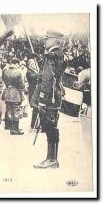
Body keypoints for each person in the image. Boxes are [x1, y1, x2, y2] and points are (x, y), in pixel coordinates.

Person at [31, 30, 67, 169]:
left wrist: (42, 99)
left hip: (49, 97)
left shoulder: (51, 56)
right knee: (53, 126)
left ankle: (51, 159)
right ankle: (53, 159)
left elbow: (48, 79)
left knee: (49, 126)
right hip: (56, 95)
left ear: (53, 40)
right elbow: (55, 74)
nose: (44, 41)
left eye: (46, 39)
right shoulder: (61, 55)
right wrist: (41, 61)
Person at [2, 57, 25, 135]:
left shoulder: (5, 71)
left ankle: (10, 127)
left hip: (7, 92)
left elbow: (4, 81)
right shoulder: (18, 72)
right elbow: (22, 85)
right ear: (17, 63)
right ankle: (15, 129)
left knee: (9, 110)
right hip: (15, 93)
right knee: (16, 111)